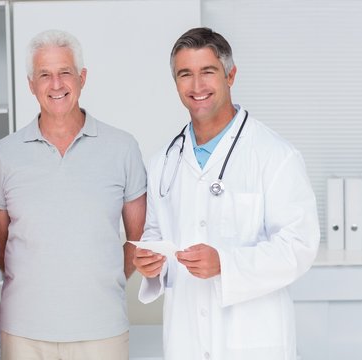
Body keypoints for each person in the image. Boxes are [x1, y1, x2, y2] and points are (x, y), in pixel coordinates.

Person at [132, 27, 320, 360]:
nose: (197, 86)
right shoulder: (163, 161)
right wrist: (152, 263)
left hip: (253, 339)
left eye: (208, 72)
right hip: (185, 339)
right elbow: (156, 233)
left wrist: (226, 263)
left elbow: (299, 246)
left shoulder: (274, 155)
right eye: (185, 74)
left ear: (230, 75)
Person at [0, 29, 147, 360]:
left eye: (65, 73)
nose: (56, 85)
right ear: (31, 84)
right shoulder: (3, 155)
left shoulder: (123, 147)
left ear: (82, 78)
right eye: (44, 75)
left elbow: (137, 241)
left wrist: (99, 281)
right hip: (23, 332)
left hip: (102, 330)